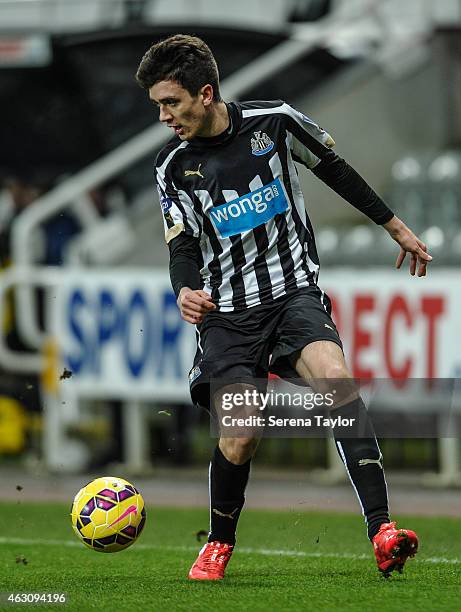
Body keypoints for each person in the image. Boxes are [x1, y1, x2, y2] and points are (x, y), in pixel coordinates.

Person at [136, 34, 430, 580]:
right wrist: (184, 288)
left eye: (170, 103)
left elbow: (334, 168)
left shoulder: (275, 123)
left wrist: (395, 226)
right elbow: (180, 242)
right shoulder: (173, 166)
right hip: (227, 315)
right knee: (242, 434)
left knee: (338, 383)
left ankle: (383, 531)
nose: (163, 117)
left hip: (294, 295)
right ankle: (219, 543)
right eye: (157, 105)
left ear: (205, 93)